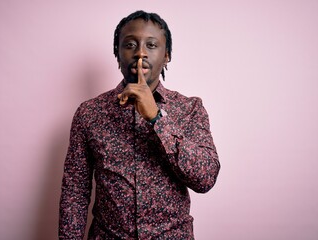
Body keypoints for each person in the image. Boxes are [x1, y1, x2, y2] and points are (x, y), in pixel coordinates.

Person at [59, 10, 220, 240]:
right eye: (130, 44)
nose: (141, 53)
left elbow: (205, 179)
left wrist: (156, 117)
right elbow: (75, 192)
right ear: (117, 54)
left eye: (152, 45)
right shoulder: (89, 113)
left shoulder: (190, 109)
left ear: (167, 56)